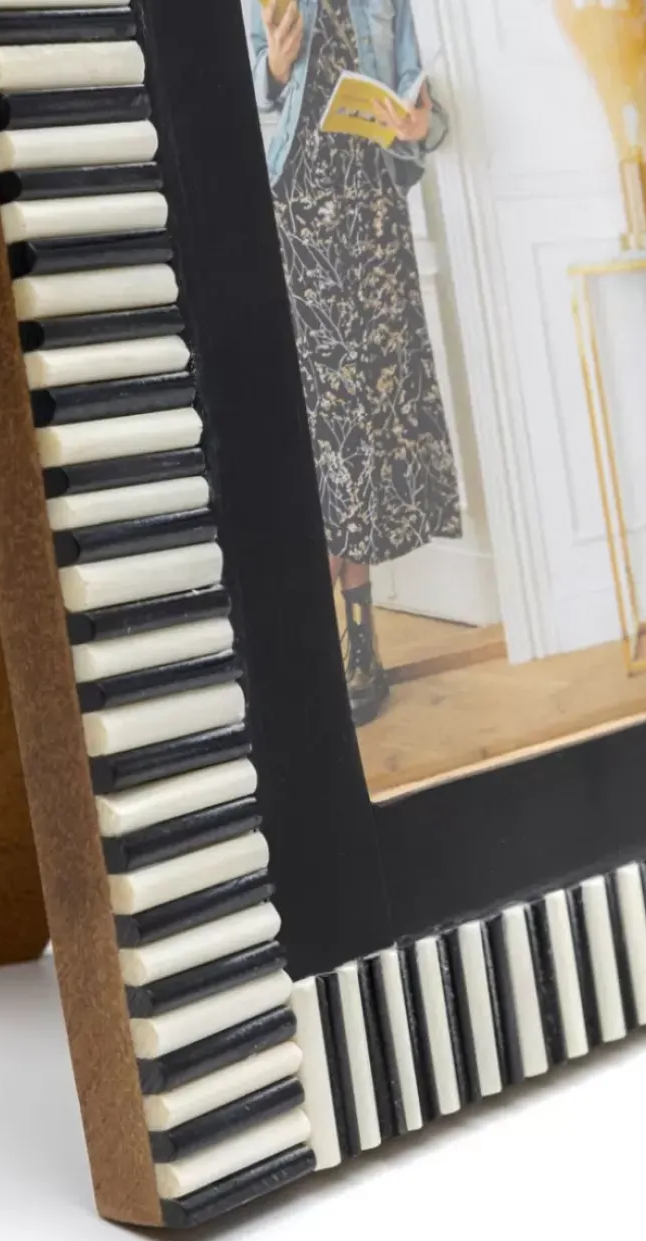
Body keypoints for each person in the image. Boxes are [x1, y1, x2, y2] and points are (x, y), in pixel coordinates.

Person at [249, 0, 461, 726]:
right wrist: (275, 71)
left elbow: (423, 102)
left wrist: (418, 123)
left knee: (368, 417)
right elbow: (232, 109)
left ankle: (360, 640)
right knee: (319, 425)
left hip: (373, 211)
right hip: (296, 213)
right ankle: (312, 640)